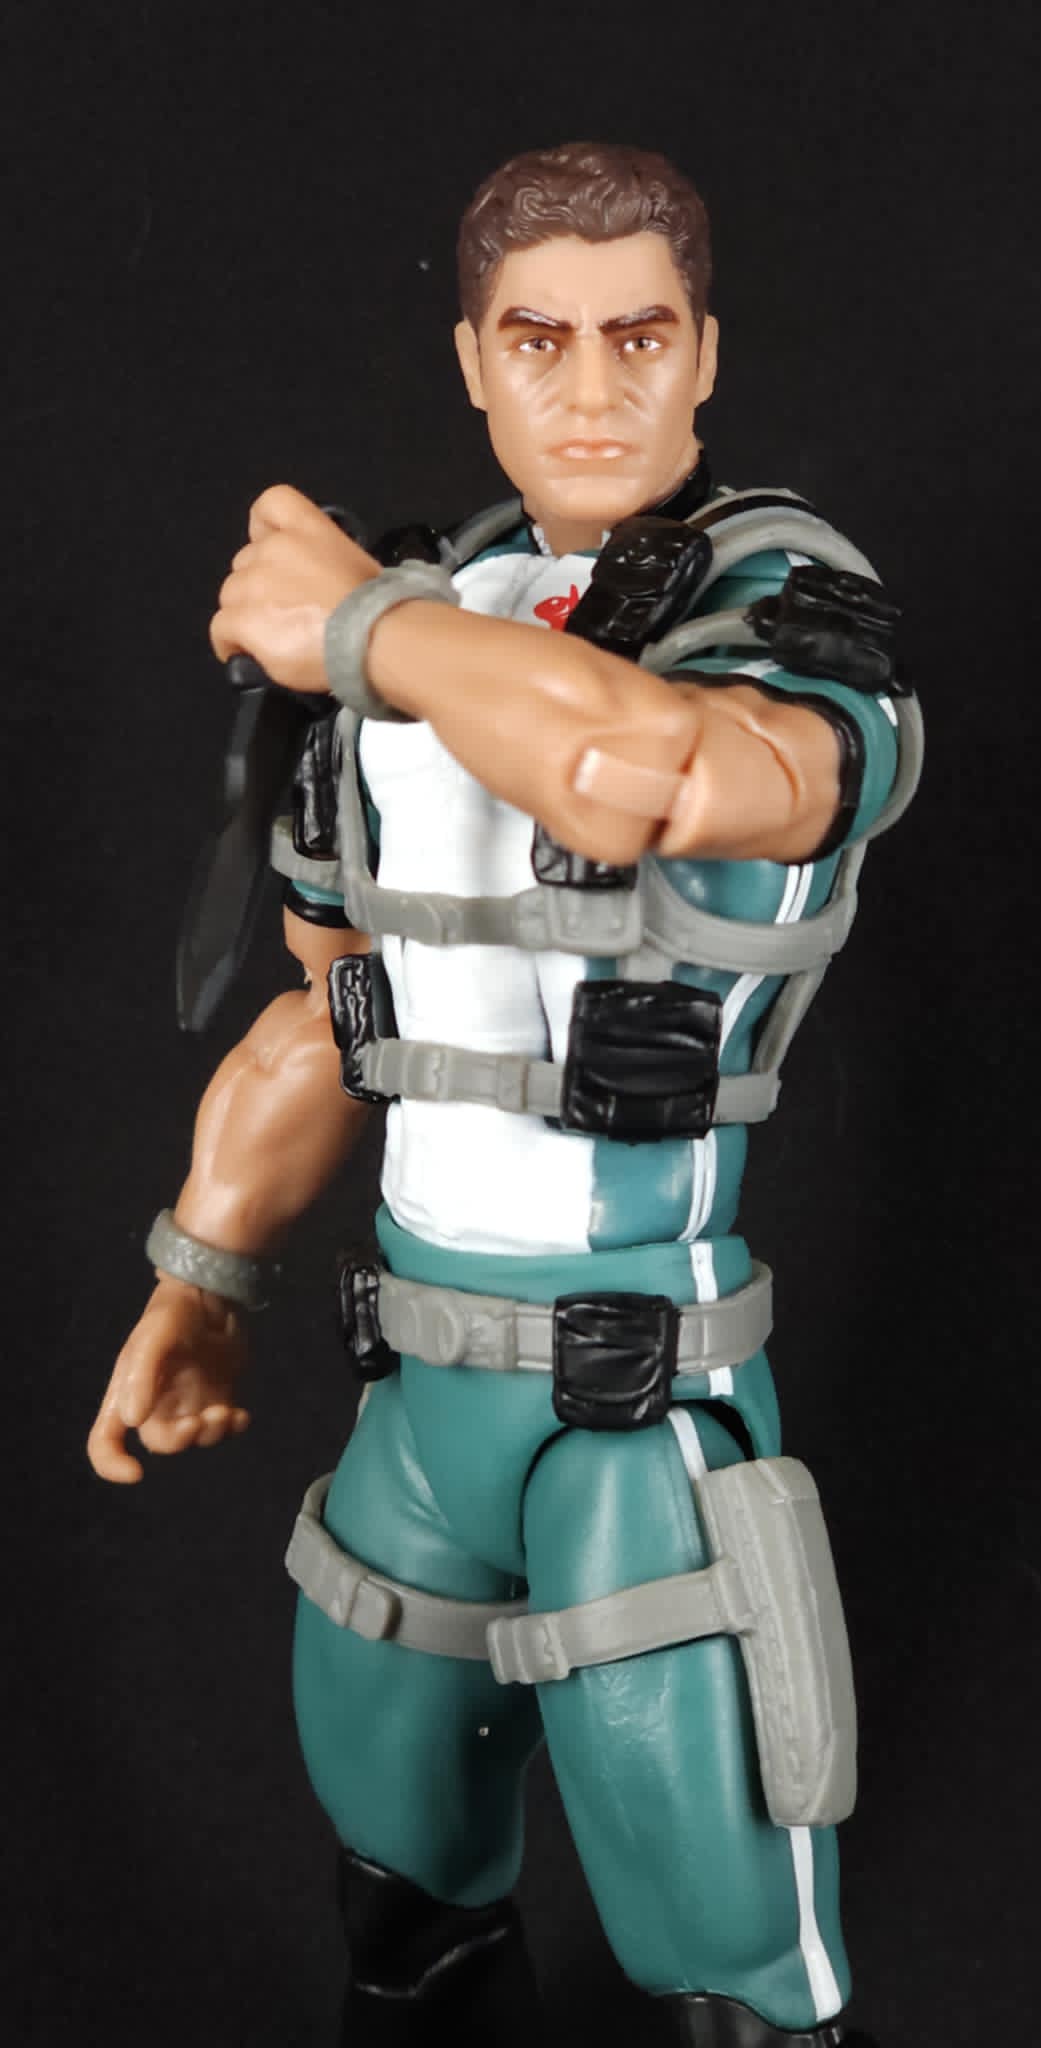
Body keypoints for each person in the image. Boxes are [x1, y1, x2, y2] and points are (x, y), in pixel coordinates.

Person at [88, 142, 919, 2047]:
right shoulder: (436, 605)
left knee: (723, 1948)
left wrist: (359, 632)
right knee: (396, 1891)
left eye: (639, 336)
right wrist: (199, 1276)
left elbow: (661, 776)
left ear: (704, 354)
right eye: (539, 340)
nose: (592, 388)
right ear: (473, 362)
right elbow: (335, 1016)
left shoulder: (773, 598)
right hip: (418, 1408)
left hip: (632, 1407)